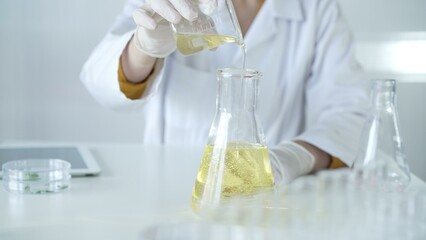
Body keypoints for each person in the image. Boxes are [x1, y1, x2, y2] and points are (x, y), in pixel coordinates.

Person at [80, 0, 369, 186]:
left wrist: (292, 158)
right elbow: (98, 80)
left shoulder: (315, 8)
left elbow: (349, 110)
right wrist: (144, 47)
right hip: (167, 197)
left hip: (268, 198)